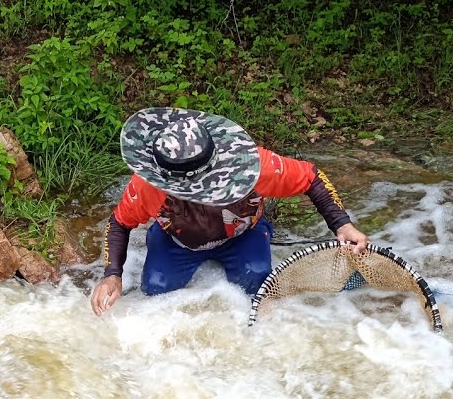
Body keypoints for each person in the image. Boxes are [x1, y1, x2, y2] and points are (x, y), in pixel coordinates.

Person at [90, 107, 370, 316]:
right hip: (178, 242)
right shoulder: (147, 185)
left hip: (241, 235)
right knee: (156, 291)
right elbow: (119, 223)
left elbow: (311, 178)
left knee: (258, 282)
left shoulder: (252, 165)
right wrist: (112, 274)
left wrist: (342, 225)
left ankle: (261, 237)